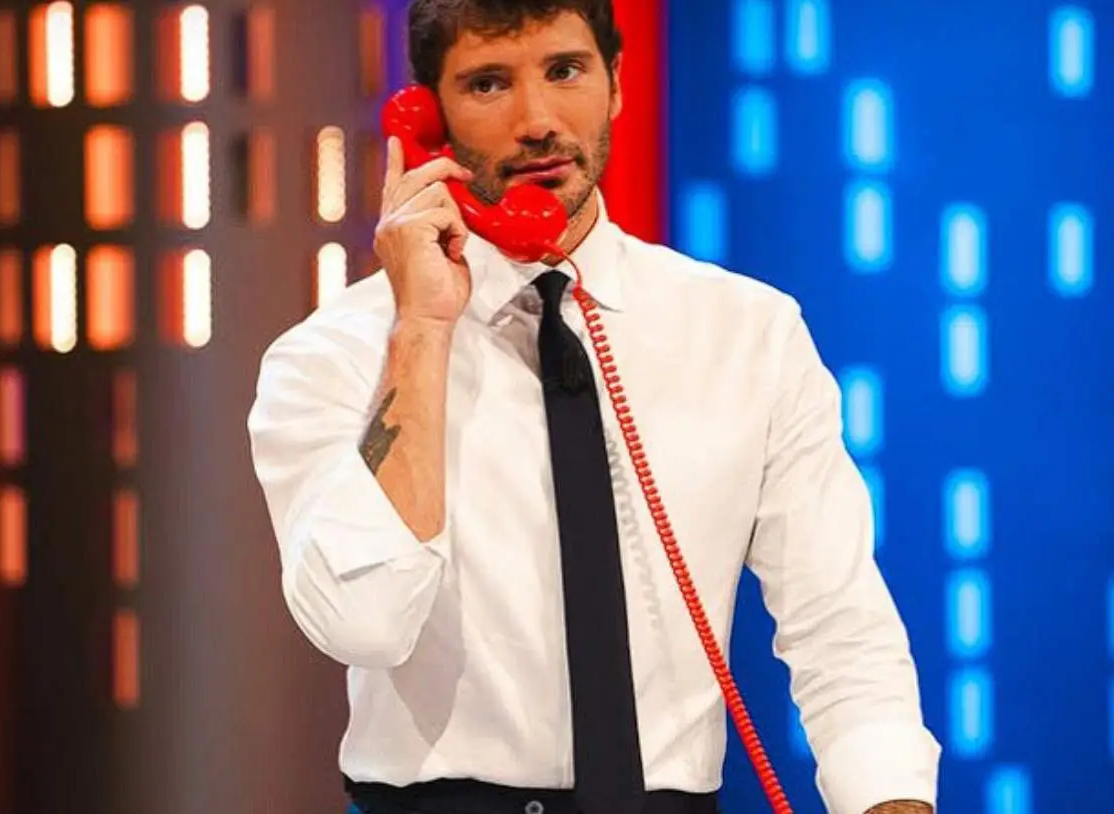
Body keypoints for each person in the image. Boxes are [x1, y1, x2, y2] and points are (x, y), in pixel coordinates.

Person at [247, 1, 941, 812]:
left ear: (615, 83)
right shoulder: (331, 356)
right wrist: (423, 331)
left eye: (565, 71)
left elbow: (842, 632)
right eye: (488, 84)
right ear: (427, 118)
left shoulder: (749, 332)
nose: (537, 121)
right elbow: (362, 623)